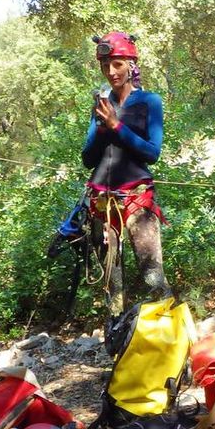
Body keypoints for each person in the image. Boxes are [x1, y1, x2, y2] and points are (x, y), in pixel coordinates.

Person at [81, 31, 171, 316]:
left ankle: (172, 347)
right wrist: (101, 126)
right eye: (105, 65)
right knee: (111, 286)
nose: (111, 71)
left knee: (152, 277)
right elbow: (87, 159)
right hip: (101, 205)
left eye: (117, 64)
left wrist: (116, 126)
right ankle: (119, 348)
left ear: (132, 64)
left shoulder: (149, 102)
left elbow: (152, 153)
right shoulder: (101, 105)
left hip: (135, 200)